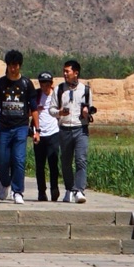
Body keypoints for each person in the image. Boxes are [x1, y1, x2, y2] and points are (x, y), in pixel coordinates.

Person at [0, 50, 35, 201]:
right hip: (3, 128)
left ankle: (18, 191)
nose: (13, 68)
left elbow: (34, 108)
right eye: (10, 65)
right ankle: (5, 182)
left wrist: (36, 129)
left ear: (20, 66)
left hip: (21, 127)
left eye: (16, 65)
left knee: (19, 159)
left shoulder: (26, 84)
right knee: (2, 160)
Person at [57, 60, 93, 203]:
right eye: (64, 71)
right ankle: (69, 189)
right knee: (65, 162)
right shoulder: (59, 89)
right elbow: (52, 109)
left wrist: (87, 113)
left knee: (81, 160)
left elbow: (91, 109)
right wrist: (60, 112)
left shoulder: (86, 90)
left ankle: (79, 190)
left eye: (68, 71)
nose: (65, 74)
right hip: (64, 129)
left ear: (76, 73)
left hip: (81, 128)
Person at [31, 69, 62, 202]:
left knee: (53, 163)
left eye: (47, 84)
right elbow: (28, 112)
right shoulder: (36, 95)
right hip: (39, 133)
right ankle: (41, 191)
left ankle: (54, 189)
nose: (44, 87)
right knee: (39, 165)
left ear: (51, 84)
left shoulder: (57, 95)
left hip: (54, 133)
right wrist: (35, 110)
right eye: (42, 84)